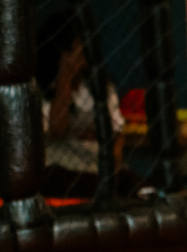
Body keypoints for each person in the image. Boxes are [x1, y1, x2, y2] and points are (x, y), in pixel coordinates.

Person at [36, 11, 127, 199]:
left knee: (137, 187)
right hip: (61, 169)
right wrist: (65, 76)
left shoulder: (99, 86)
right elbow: (57, 130)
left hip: (97, 167)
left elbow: (117, 132)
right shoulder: (41, 88)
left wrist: (112, 159)